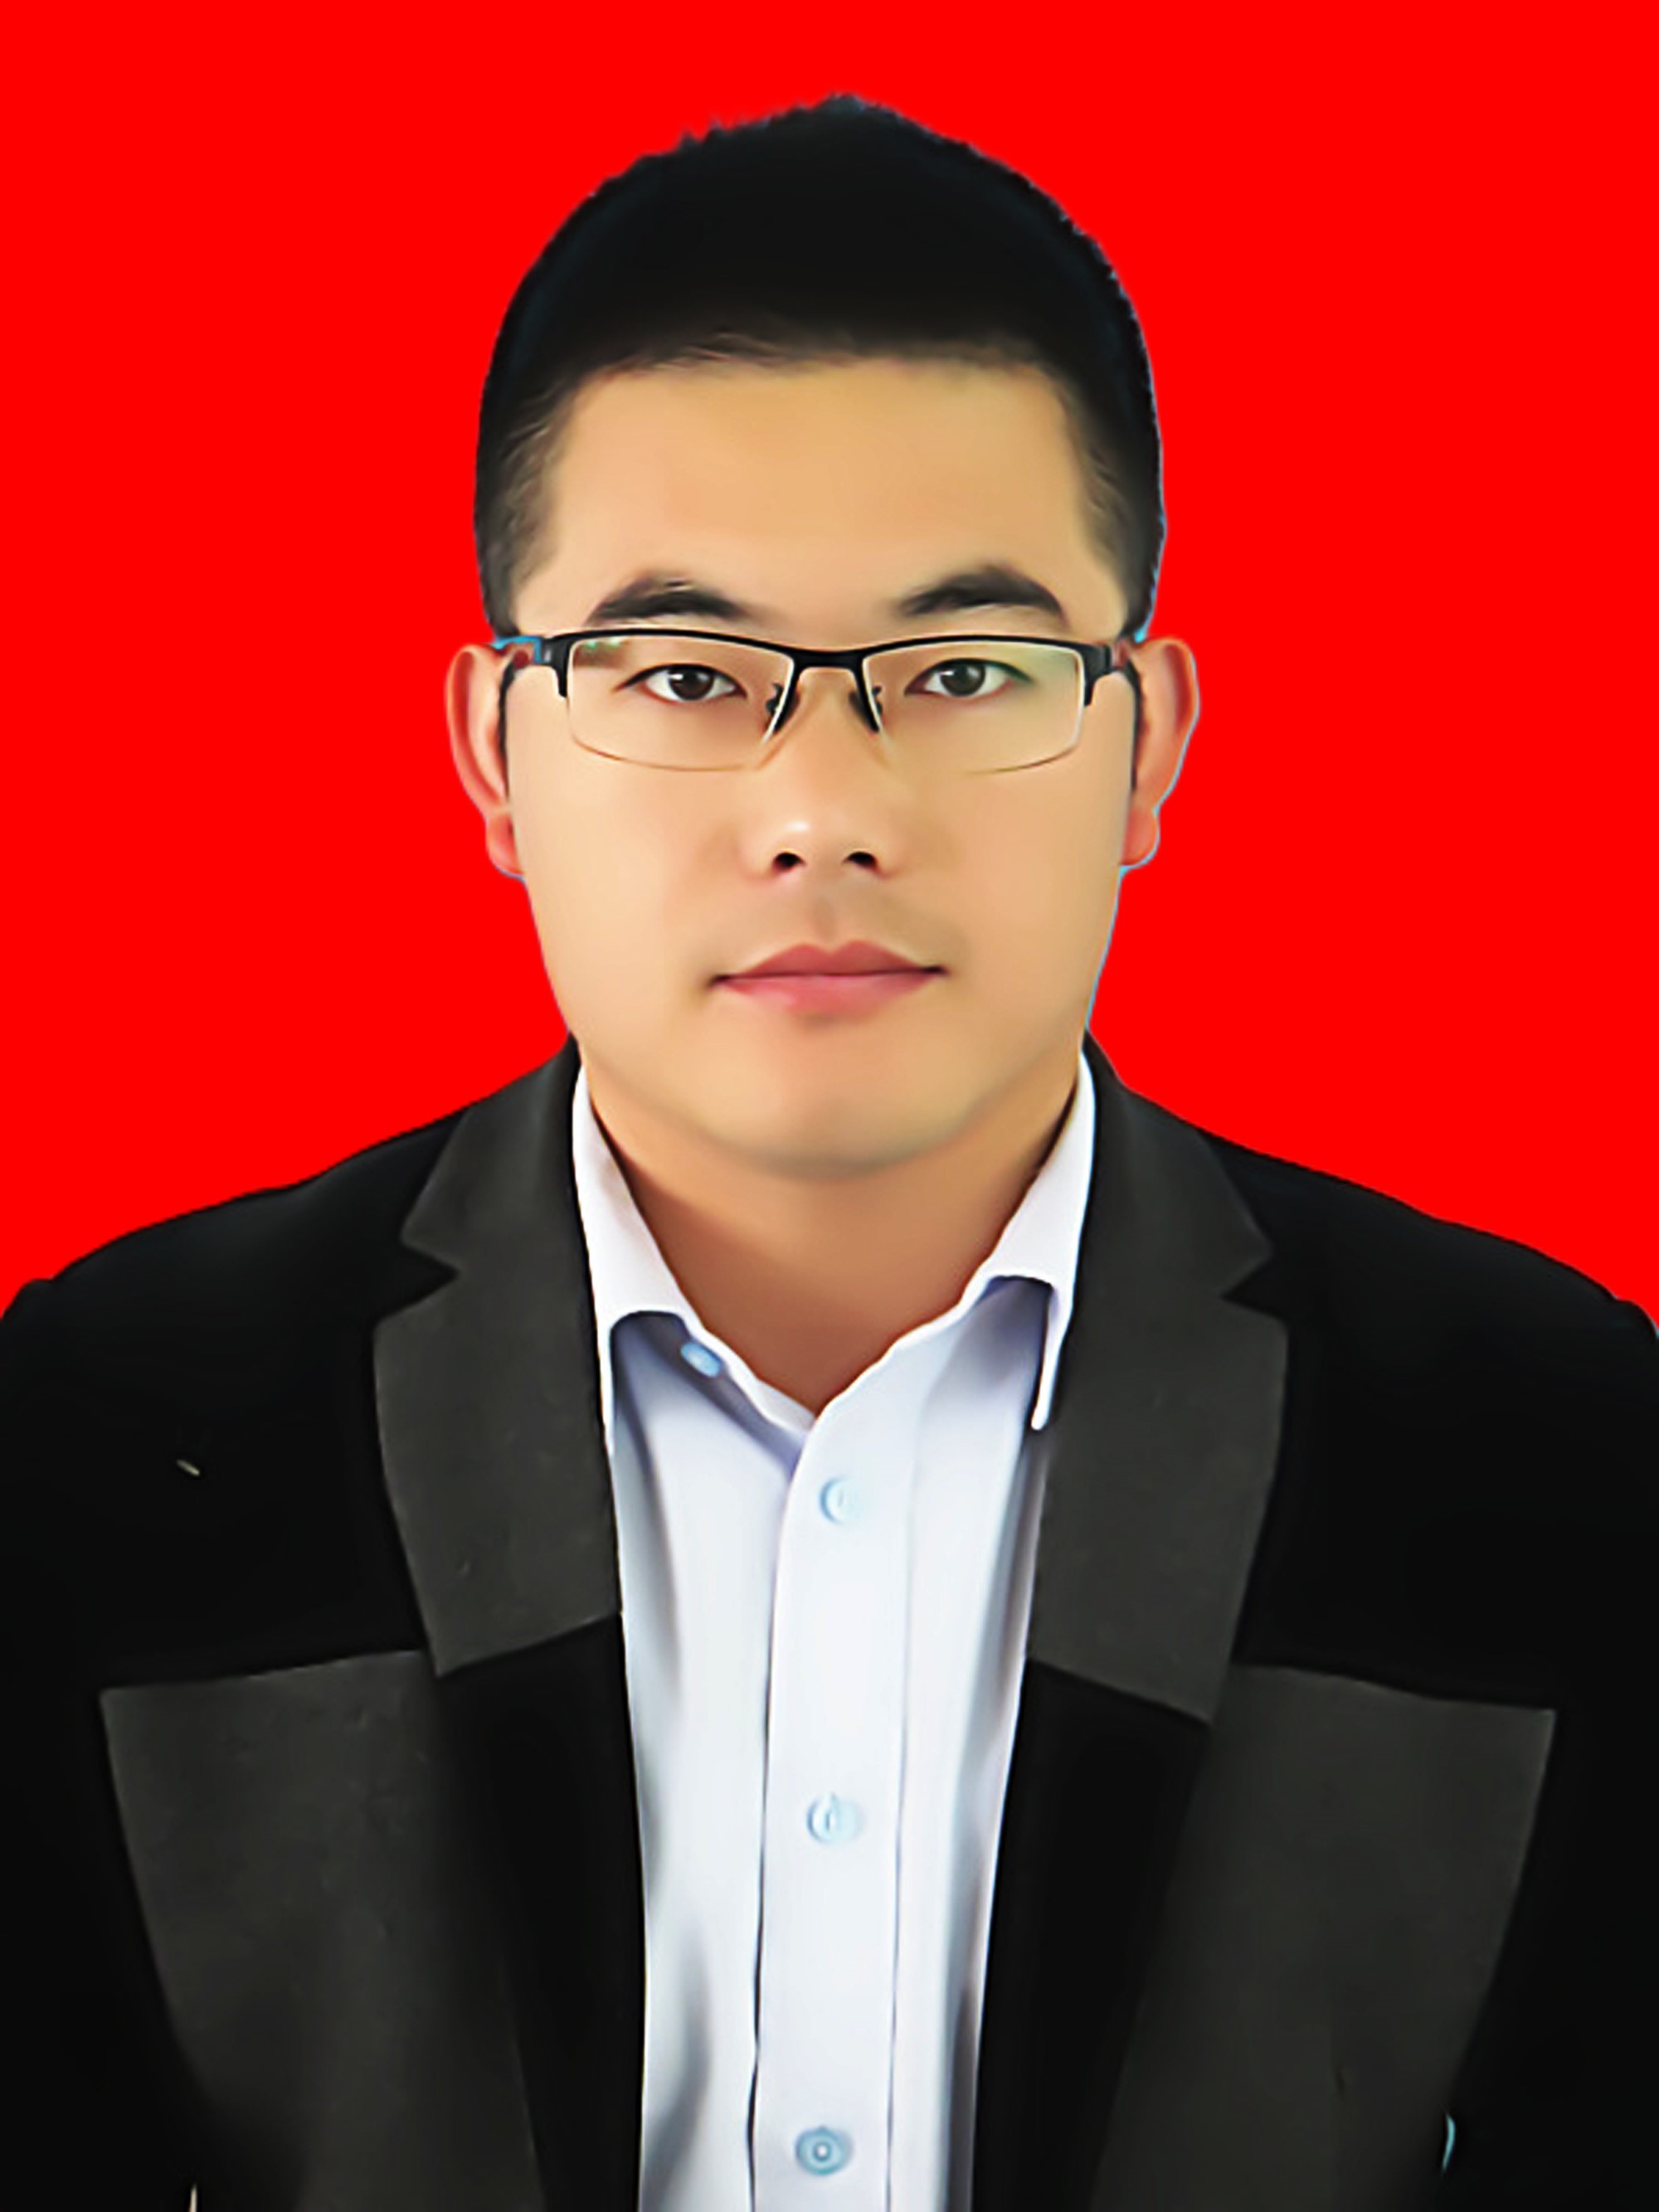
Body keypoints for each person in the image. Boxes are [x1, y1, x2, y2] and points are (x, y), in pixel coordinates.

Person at [2, 93, 1654, 2212]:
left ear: (1148, 740)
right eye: (686, 673)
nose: (821, 812)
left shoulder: (1544, 1444)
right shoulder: (116, 1426)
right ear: (494, 751)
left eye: (962, 668)